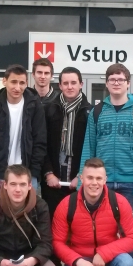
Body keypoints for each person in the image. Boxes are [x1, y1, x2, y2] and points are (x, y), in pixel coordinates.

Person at [78, 63, 133, 266]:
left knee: (129, 233)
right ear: (107, 83)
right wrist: (82, 180)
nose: (116, 83)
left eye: (121, 79)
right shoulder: (97, 111)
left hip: (130, 184)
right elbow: (88, 147)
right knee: (103, 232)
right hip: (101, 184)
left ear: (128, 83)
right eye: (112, 79)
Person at [0, 64, 47, 188]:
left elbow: (40, 141)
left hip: (27, 174)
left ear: (26, 83)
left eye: (22, 83)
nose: (17, 87)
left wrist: (34, 172)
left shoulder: (35, 106)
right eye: (13, 82)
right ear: (4, 81)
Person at [41, 66, 91, 212]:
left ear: (81, 84)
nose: (70, 87)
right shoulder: (48, 110)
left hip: (78, 180)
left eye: (73, 83)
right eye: (66, 83)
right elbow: (41, 144)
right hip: (52, 180)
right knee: (52, 219)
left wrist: (80, 176)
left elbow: (92, 147)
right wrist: (48, 173)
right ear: (60, 85)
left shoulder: (90, 112)